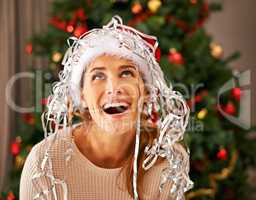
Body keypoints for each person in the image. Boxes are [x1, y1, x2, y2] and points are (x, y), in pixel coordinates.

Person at [20, 15, 193, 200]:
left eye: (126, 73)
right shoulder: (44, 163)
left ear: (146, 92)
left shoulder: (168, 159)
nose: (113, 88)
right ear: (82, 96)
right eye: (98, 76)